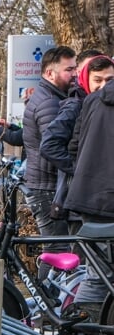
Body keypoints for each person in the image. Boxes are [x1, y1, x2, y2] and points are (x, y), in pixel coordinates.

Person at [43, 54, 114, 319]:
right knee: (98, 275)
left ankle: (79, 334)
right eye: (98, 79)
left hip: (88, 197)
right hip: (95, 199)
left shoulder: (92, 101)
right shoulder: (78, 103)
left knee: (99, 273)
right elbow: (57, 145)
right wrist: (82, 170)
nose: (103, 84)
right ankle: (78, 333)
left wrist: (86, 173)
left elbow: (77, 146)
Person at [23, 45, 77, 252]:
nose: (74, 74)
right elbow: (52, 147)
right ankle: (43, 285)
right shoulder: (49, 103)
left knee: (56, 249)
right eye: (68, 70)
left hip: (43, 184)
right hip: (47, 187)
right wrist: (78, 171)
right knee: (58, 251)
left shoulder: (50, 97)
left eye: (75, 68)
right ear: (49, 73)